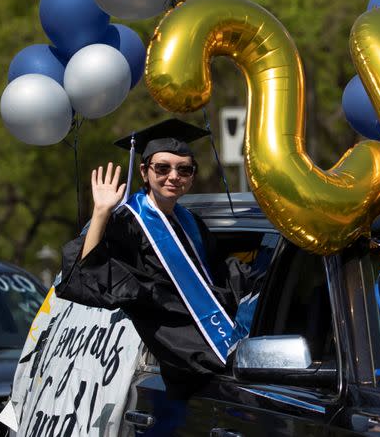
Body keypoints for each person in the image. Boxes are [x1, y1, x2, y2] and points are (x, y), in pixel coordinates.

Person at [56, 119, 256, 400]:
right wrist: (101, 211)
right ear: (144, 171)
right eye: (162, 168)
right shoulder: (128, 222)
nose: (174, 176)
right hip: (185, 364)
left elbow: (223, 274)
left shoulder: (193, 224)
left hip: (222, 362)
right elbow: (86, 273)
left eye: (184, 169)